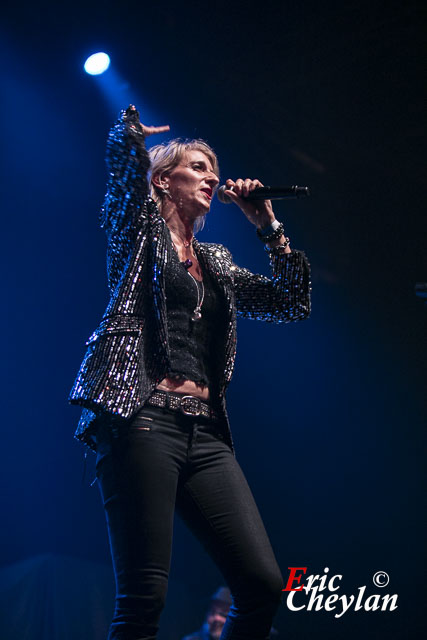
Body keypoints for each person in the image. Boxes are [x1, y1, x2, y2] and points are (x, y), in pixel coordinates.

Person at [69, 104, 311, 640]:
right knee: (144, 596)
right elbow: (124, 183)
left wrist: (267, 224)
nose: (213, 177)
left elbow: (291, 302)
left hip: (205, 433)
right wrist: (128, 134)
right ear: (163, 180)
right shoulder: (138, 235)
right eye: (198, 167)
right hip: (143, 419)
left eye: (213, 168)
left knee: (262, 585)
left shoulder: (217, 260)